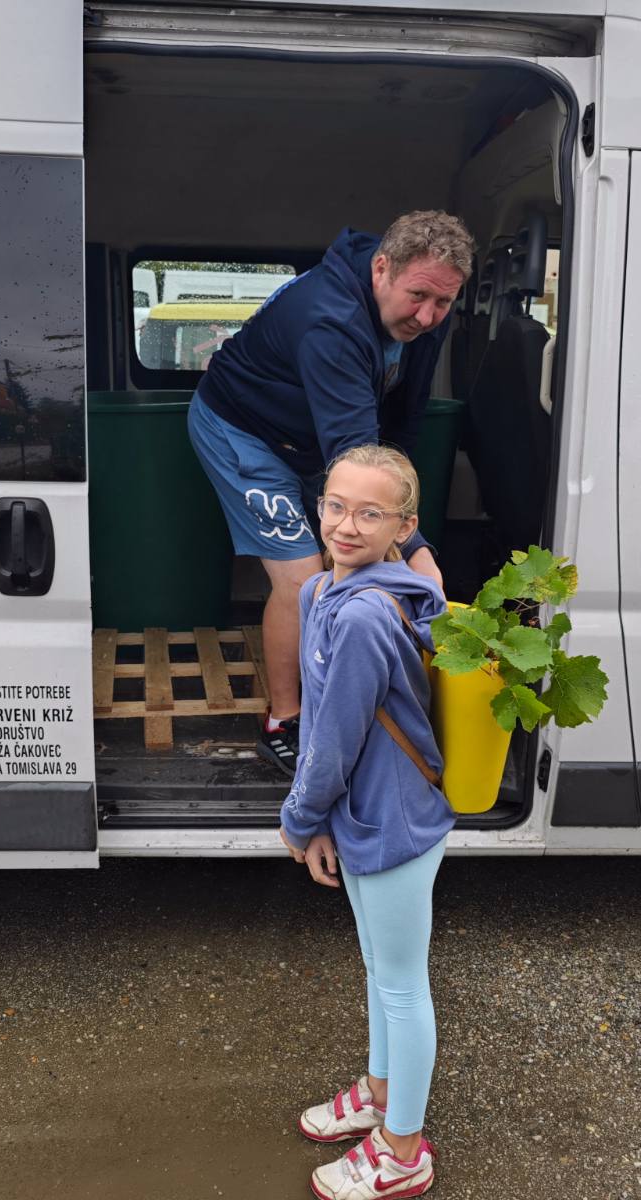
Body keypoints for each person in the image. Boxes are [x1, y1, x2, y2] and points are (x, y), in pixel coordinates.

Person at [188, 210, 474, 775]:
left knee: (356, 544)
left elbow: (402, 422)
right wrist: (416, 551)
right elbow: (357, 459)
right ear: (382, 268)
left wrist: (414, 538)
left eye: (443, 304)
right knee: (302, 580)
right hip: (243, 430)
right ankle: (284, 721)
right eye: (418, 297)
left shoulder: (425, 303)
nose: (427, 316)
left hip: (315, 435)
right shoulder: (332, 323)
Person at [279, 444, 456, 1200]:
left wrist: (298, 818)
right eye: (335, 505)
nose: (347, 524)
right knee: (381, 974)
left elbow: (336, 737)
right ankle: (380, 1097)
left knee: (401, 985)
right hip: (359, 816)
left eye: (371, 513)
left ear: (404, 528)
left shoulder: (362, 617)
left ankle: (403, 1150)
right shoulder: (321, 591)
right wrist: (321, 820)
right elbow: (320, 719)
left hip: (393, 823)